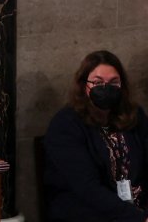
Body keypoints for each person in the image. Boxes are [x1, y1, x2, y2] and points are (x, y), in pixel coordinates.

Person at [43, 50, 148, 221]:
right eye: (98, 82)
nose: (106, 88)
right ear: (84, 85)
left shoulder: (135, 116)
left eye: (114, 82)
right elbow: (86, 188)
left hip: (137, 210)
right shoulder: (65, 124)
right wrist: (138, 218)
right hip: (89, 213)